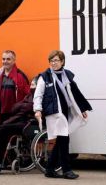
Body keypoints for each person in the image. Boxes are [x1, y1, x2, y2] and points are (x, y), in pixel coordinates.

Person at [33, 50, 92, 179]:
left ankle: (49, 169)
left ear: (62, 61)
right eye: (51, 61)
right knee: (64, 140)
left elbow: (76, 93)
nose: (53, 63)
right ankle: (67, 170)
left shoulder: (67, 75)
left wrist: (82, 109)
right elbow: (38, 94)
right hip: (55, 113)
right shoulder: (45, 76)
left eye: (56, 60)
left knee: (60, 140)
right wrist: (37, 109)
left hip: (66, 111)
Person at [0, 77, 37, 168]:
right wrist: (22, 105)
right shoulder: (29, 96)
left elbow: (28, 107)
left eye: (33, 85)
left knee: (4, 129)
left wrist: (22, 105)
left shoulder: (39, 96)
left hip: (31, 124)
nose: (31, 87)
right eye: (31, 84)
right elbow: (15, 108)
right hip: (22, 120)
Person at [0, 50, 30, 123]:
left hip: (15, 116)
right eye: (3, 59)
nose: (5, 61)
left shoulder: (20, 76)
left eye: (8, 59)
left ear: (14, 60)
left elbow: (27, 96)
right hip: (1, 115)